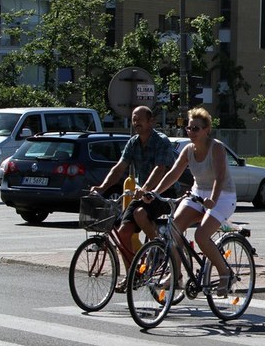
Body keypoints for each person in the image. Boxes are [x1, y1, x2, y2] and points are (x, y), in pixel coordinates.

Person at [147, 107, 237, 296]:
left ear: (206, 130)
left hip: (223, 196)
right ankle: (177, 275)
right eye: (189, 128)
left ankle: (225, 273)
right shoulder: (188, 149)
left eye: (196, 128)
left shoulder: (216, 147)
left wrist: (213, 199)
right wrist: (155, 192)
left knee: (201, 236)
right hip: (198, 193)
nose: (191, 132)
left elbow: (220, 177)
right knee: (174, 228)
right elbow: (174, 173)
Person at [91, 105, 175, 292]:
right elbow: (120, 167)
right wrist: (103, 187)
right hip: (143, 193)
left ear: (151, 121)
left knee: (139, 213)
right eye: (133, 119)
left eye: (139, 119)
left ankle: (158, 247)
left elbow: (160, 169)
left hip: (163, 193)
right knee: (123, 233)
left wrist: (145, 188)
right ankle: (133, 274)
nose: (135, 123)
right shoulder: (133, 142)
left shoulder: (162, 141)